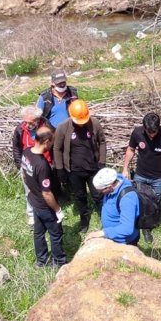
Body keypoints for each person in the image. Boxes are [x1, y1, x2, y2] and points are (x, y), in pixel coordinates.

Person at [121, 113, 161, 243]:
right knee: (138, 199)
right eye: (149, 132)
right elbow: (130, 149)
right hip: (141, 174)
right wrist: (125, 168)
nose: (152, 135)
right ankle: (137, 222)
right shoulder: (137, 133)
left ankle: (148, 226)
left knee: (154, 202)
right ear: (144, 128)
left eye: (154, 132)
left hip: (159, 177)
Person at [54, 99, 107, 233]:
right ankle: (84, 218)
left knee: (98, 195)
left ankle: (105, 217)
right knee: (80, 195)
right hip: (74, 170)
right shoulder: (63, 127)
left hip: (93, 168)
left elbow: (102, 142)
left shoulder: (94, 123)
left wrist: (101, 161)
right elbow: (57, 148)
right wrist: (60, 168)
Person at [22, 126, 67, 268]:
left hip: (33, 201)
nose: (52, 144)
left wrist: (30, 191)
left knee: (39, 232)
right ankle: (59, 261)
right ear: (46, 141)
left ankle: (41, 261)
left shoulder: (27, 152)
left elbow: (24, 175)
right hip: (44, 205)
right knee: (56, 233)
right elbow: (47, 193)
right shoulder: (42, 165)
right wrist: (57, 210)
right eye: (52, 141)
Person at [12, 106, 49, 227]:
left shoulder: (47, 127)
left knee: (47, 190)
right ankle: (31, 214)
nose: (27, 125)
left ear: (38, 120)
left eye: (30, 122)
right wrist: (20, 166)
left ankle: (48, 210)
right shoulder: (20, 130)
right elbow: (17, 149)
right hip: (27, 166)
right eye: (25, 122)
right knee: (29, 191)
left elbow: (54, 146)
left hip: (44, 165)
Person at [85, 168, 140, 245]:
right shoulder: (113, 182)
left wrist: (103, 233)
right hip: (112, 236)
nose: (99, 192)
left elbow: (127, 229)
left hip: (124, 242)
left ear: (110, 186)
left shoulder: (127, 198)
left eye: (100, 190)